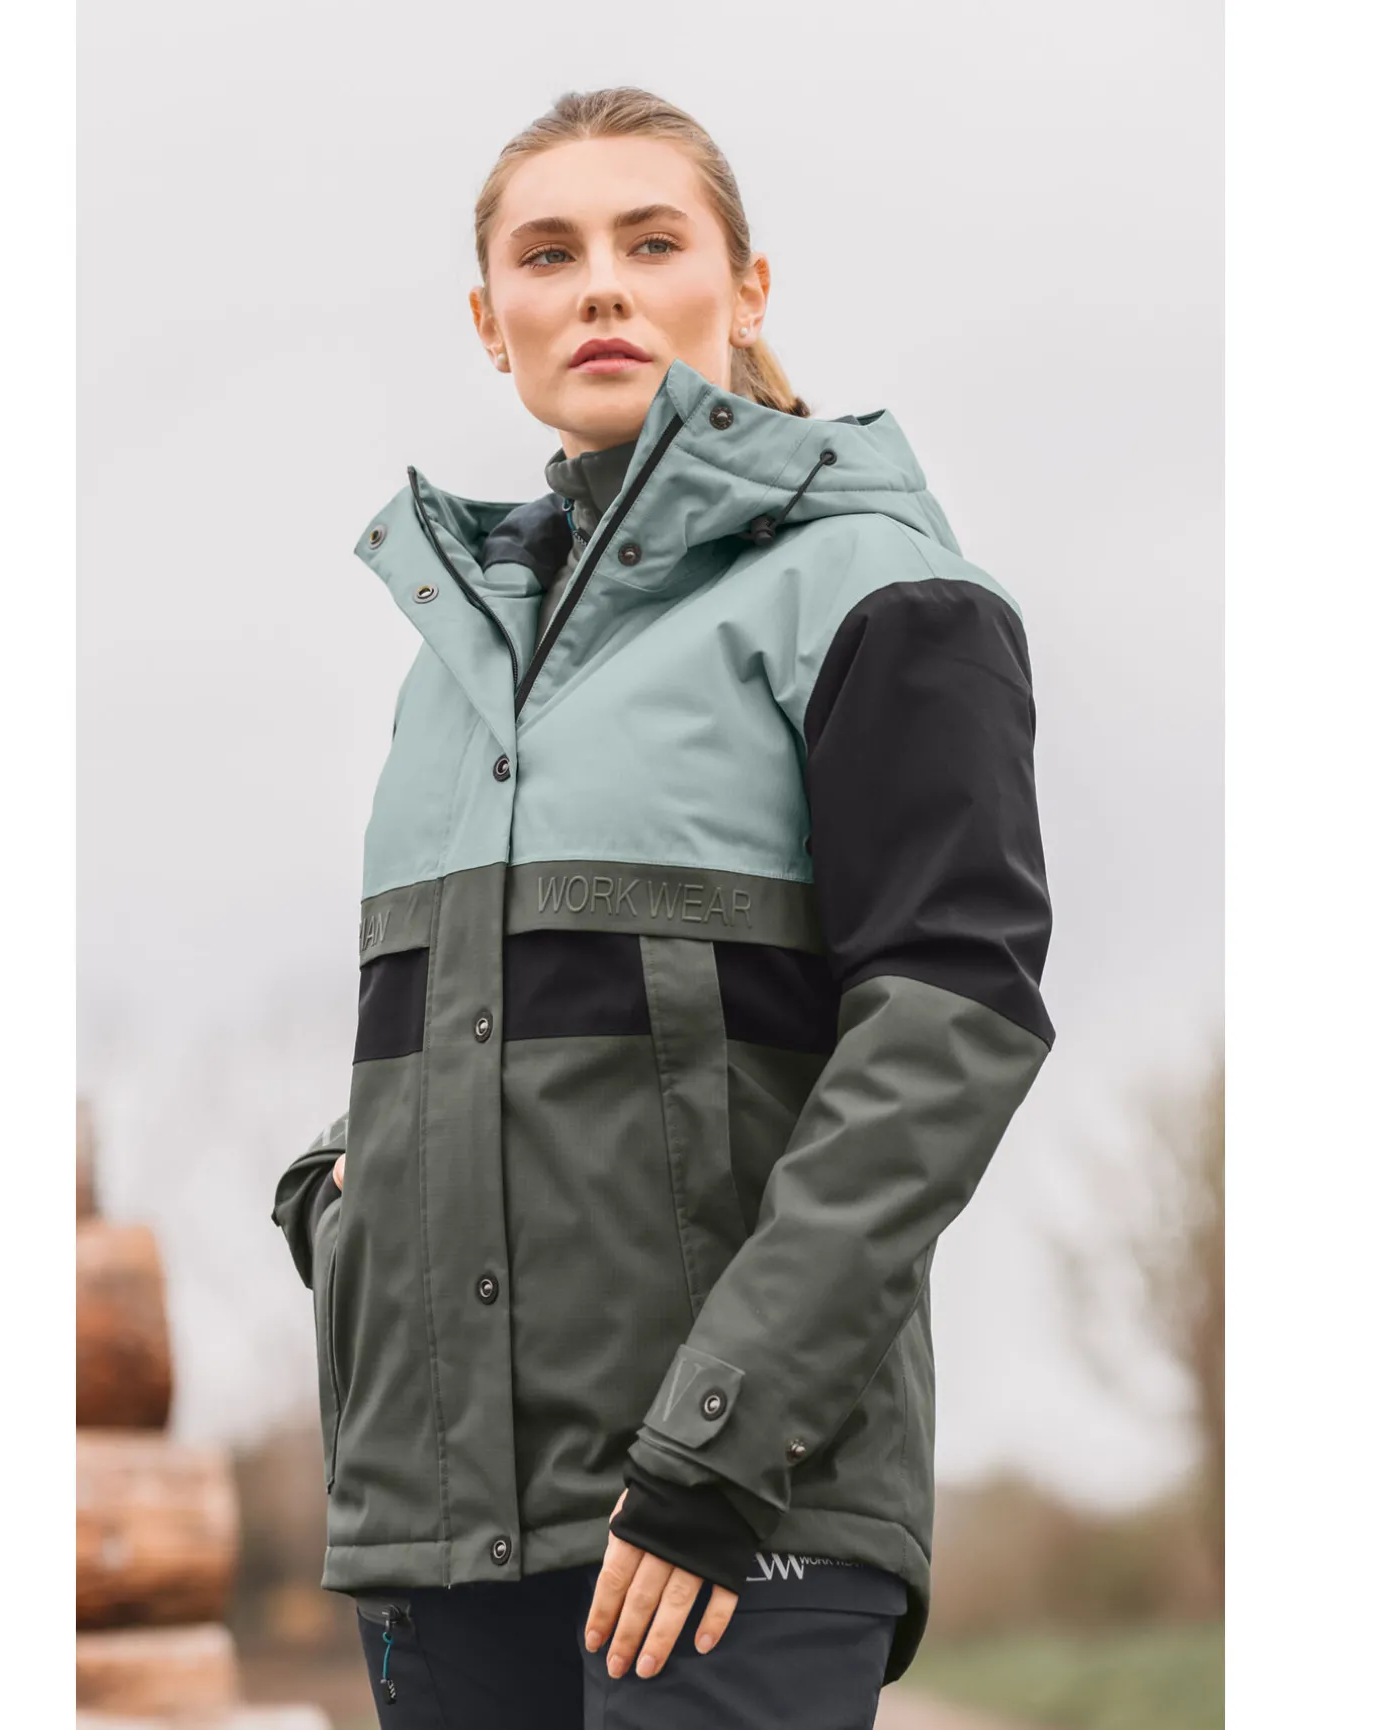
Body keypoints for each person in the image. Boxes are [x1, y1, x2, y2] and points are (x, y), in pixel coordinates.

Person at [271, 85, 1054, 1730]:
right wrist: (334, 1207)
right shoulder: (456, 661)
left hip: (737, 1515)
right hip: (442, 1528)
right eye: (548, 254)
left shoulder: (882, 594)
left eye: (650, 242)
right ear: (490, 319)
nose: (601, 289)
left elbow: (950, 1030)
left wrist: (717, 1442)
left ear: (744, 286)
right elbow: (456, 1025)